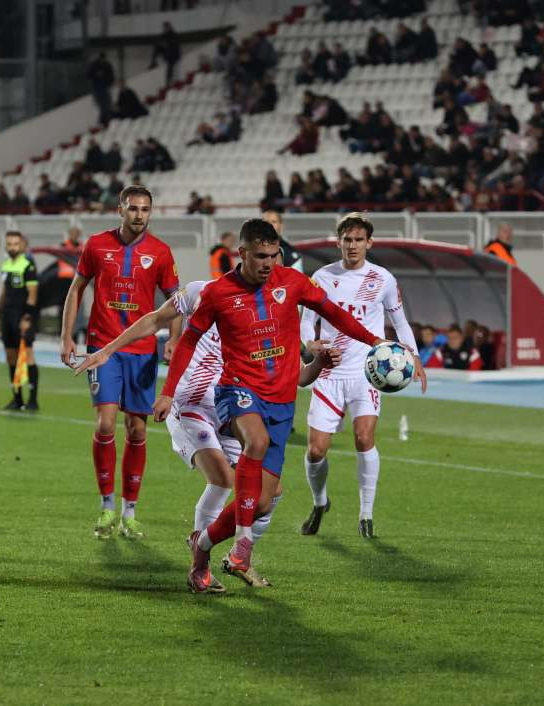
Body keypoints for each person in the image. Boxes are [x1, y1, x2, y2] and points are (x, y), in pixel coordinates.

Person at [74, 254, 340, 591]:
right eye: (264, 265)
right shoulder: (204, 292)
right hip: (189, 406)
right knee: (222, 479)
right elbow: (154, 319)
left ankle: (237, 557)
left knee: (268, 497)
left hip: (232, 411)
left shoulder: (275, 319)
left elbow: (298, 377)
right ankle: (199, 566)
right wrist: (108, 350)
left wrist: (319, 361)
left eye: (277, 269)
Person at [154, 219, 389, 593]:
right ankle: (243, 547)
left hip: (282, 401)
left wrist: (375, 340)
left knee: (262, 502)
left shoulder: (293, 283)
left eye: (274, 255)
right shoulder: (217, 293)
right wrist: (167, 392)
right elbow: (187, 342)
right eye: (260, 256)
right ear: (242, 253)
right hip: (238, 390)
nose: (268, 263)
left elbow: (335, 314)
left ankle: (201, 547)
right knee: (256, 442)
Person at [60, 186, 180, 540]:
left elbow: (177, 301)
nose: (139, 215)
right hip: (103, 348)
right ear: (120, 210)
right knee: (106, 424)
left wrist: (173, 338)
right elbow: (76, 288)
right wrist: (68, 335)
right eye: (133, 208)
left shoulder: (160, 252)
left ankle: (130, 512)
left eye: (145, 209)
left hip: (143, 350)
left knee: (138, 430)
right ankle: (107, 506)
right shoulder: (97, 245)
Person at [299, 213, 427, 539]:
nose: (352, 245)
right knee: (316, 450)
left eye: (359, 240)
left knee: (364, 438)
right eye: (347, 239)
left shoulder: (382, 279)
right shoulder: (322, 278)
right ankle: (319, 501)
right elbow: (304, 322)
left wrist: (414, 357)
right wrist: (310, 344)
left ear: (369, 243)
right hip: (328, 372)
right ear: (338, 241)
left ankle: (366, 514)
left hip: (366, 372)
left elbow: (400, 323)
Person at [0, 232, 40, 412]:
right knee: (10, 356)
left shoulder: (28, 264)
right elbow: (4, 293)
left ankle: (33, 400)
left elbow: (33, 295)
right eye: (9, 244)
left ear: (21, 245)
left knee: (27, 355)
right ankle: (17, 399)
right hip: (7, 316)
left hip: (22, 316)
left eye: (15, 244)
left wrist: (27, 318)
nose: (12, 247)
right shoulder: (5, 265)